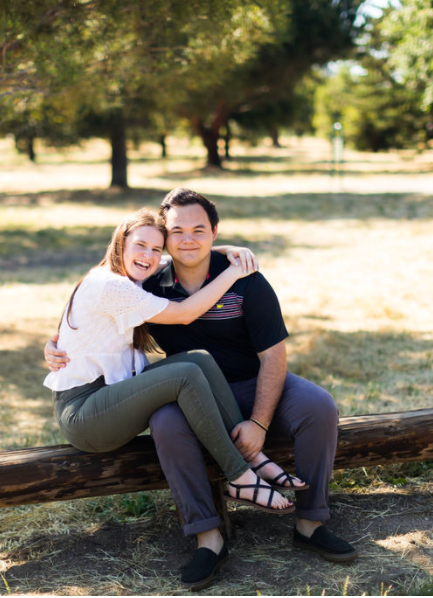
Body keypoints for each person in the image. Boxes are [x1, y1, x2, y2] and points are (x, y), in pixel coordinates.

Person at [46, 189, 357, 589]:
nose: (188, 239)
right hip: (179, 392)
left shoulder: (249, 282)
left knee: (319, 405)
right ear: (164, 241)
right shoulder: (147, 282)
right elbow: (88, 309)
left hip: (251, 382)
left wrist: (259, 423)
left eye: (199, 230)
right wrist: (52, 345)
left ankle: (311, 523)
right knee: (166, 421)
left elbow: (274, 358)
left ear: (214, 232)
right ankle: (208, 537)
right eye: (177, 232)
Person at [44, 207, 301, 530]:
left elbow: (182, 257)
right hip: (85, 415)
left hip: (108, 397)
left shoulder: (132, 278)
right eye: (140, 245)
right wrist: (233, 272)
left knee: (198, 359)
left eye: (156, 249)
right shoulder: (112, 286)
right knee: (185, 373)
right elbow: (184, 313)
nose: (148, 256)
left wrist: (224, 251)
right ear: (120, 243)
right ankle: (239, 476)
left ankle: (252, 456)